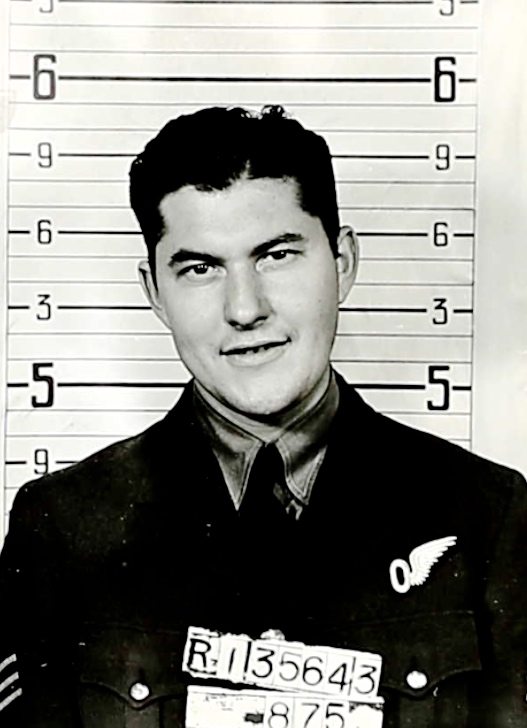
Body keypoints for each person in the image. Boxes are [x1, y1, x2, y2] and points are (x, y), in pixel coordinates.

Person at [0, 105, 526, 728]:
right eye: (200, 269)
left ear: (343, 262)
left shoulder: (487, 516)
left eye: (276, 256)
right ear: (155, 293)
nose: (245, 309)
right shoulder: (61, 529)